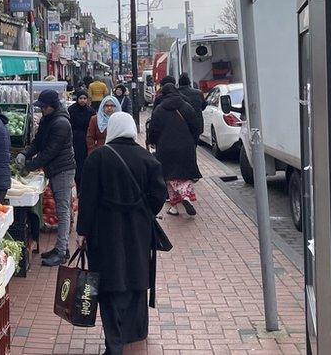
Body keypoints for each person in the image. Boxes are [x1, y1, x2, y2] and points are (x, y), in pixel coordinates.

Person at [76, 113, 168, 355]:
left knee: (108, 283)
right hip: (138, 229)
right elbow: (159, 196)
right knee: (136, 277)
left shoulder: (98, 158)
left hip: (104, 230)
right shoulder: (148, 159)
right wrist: (142, 210)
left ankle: (114, 343)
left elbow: (87, 198)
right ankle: (133, 332)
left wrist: (82, 230)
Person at [16, 90, 77, 266]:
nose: (41, 110)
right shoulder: (47, 119)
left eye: (43, 107)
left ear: (52, 106)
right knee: (61, 209)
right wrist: (24, 153)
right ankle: (60, 247)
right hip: (54, 169)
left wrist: (29, 166)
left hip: (63, 170)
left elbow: (50, 151)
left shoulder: (61, 123)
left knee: (63, 210)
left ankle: (62, 250)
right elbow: (38, 142)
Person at [147, 84, 203, 216]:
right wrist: (192, 141)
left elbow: (153, 129)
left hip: (165, 147)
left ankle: (175, 207)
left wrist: (153, 142)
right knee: (185, 174)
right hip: (186, 146)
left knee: (168, 176)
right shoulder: (186, 106)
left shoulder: (159, 110)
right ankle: (186, 197)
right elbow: (195, 126)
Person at [68, 90, 96, 185]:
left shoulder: (90, 111)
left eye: (84, 98)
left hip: (87, 139)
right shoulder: (71, 110)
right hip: (75, 140)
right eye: (80, 98)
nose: (82, 100)